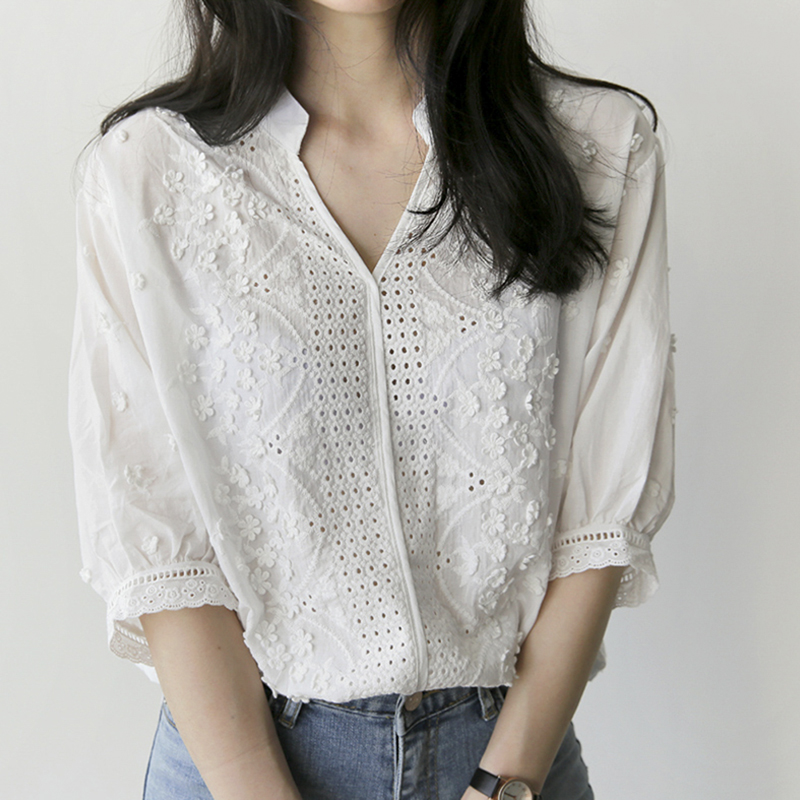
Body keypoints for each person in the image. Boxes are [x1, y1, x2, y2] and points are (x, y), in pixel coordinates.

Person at [68, 0, 675, 798]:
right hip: (234, 762)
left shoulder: (599, 147)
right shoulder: (144, 171)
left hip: (510, 760)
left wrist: (503, 785)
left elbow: (601, 515)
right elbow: (164, 549)